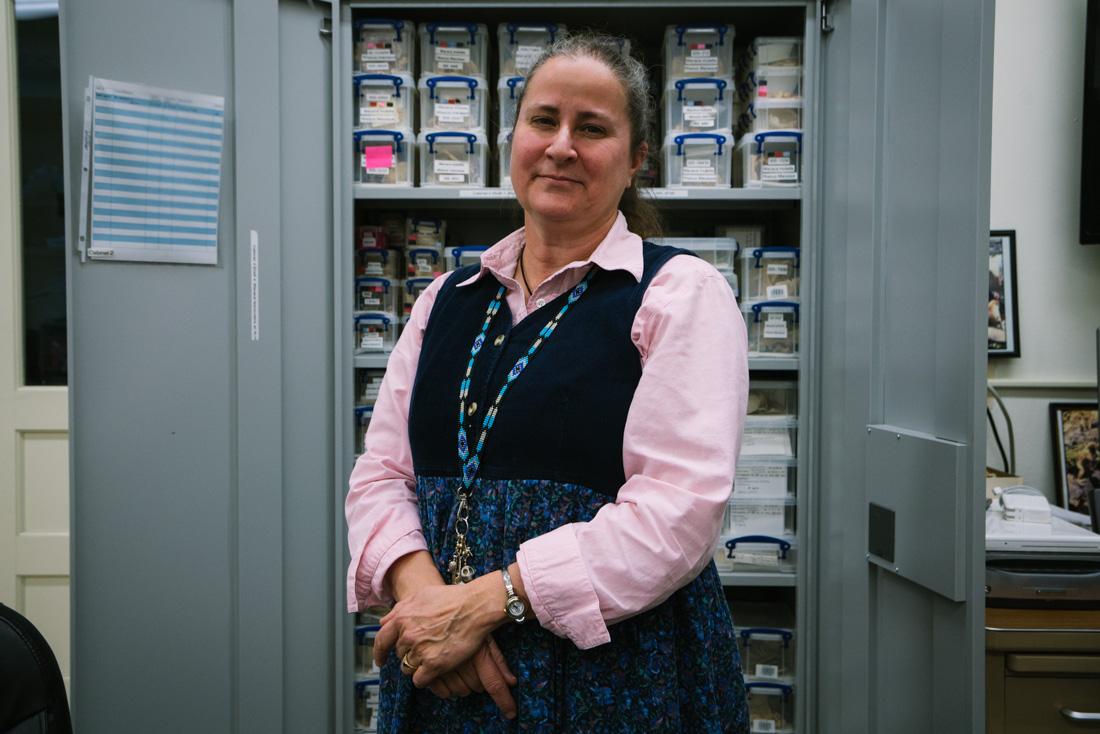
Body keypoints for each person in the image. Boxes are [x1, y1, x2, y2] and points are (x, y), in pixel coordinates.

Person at [345, 33, 750, 732]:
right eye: (543, 120)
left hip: (616, 678)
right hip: (445, 674)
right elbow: (381, 473)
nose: (562, 145)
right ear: (514, 138)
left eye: (592, 128)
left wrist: (481, 606)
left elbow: (677, 511)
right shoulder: (444, 298)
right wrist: (428, 601)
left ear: (635, 161)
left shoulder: (680, 293)